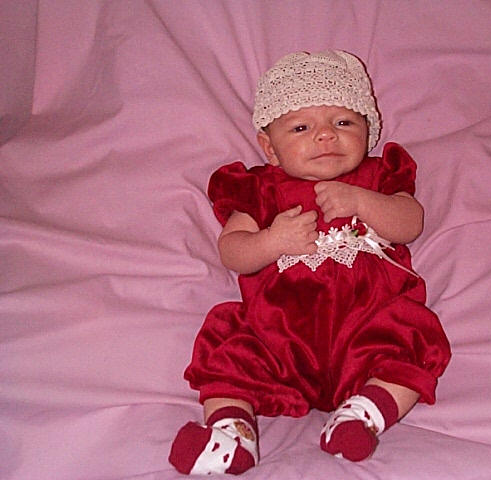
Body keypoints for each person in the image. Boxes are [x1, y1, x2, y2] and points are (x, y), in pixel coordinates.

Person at [169, 50, 451, 476]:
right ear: (270, 148)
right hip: (277, 337)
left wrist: (363, 202)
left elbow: (410, 223)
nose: (325, 136)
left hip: (367, 327)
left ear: (368, 130)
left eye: (344, 123)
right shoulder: (260, 188)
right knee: (228, 342)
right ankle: (232, 433)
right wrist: (271, 241)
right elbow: (232, 251)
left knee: (413, 336)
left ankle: (362, 416)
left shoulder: (376, 178)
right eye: (301, 127)